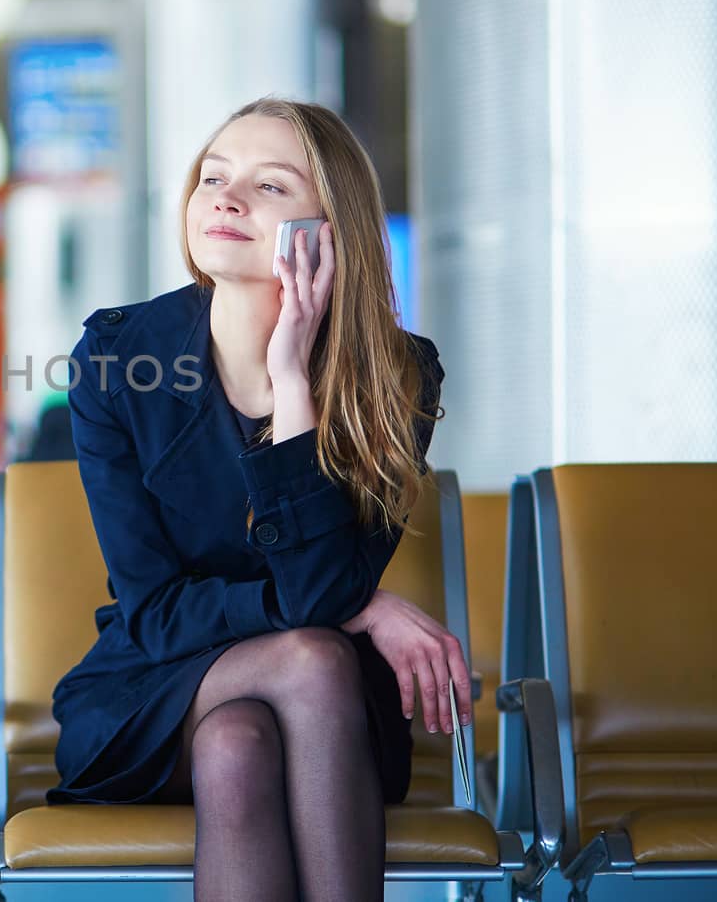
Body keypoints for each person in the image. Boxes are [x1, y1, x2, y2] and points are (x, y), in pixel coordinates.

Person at [47, 97, 468, 901]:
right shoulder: (117, 358)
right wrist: (361, 609)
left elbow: (318, 593)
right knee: (308, 655)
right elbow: (159, 612)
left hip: (329, 718)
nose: (226, 198)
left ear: (330, 229)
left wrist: (290, 382)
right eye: (214, 177)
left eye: (270, 186)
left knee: (243, 740)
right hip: (150, 693)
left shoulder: (396, 375)